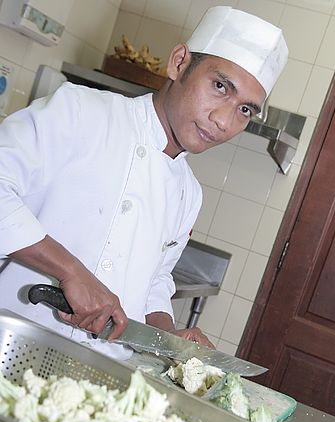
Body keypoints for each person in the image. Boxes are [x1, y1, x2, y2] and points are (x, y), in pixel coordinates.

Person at [0, 6, 288, 360]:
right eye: (219, 86)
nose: (224, 121)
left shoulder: (189, 194)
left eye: (245, 110)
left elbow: (155, 281)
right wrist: (71, 271)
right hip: (12, 344)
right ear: (179, 63)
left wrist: (169, 336)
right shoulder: (80, 111)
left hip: (95, 375)